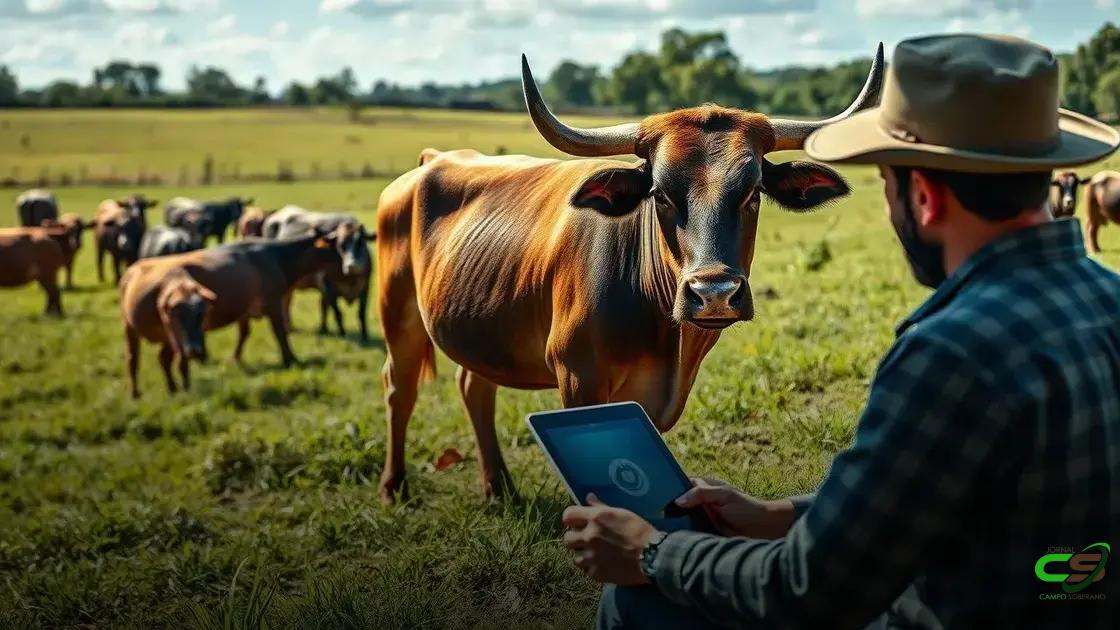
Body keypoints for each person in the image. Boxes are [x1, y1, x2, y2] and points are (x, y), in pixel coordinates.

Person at [560, 34, 1120, 630]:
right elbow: (946, 497)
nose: (887, 206)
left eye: (886, 185)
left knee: (635, 601)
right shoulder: (1107, 298)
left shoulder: (952, 353)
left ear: (924, 198)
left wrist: (652, 552)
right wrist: (779, 514)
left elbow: (807, 592)